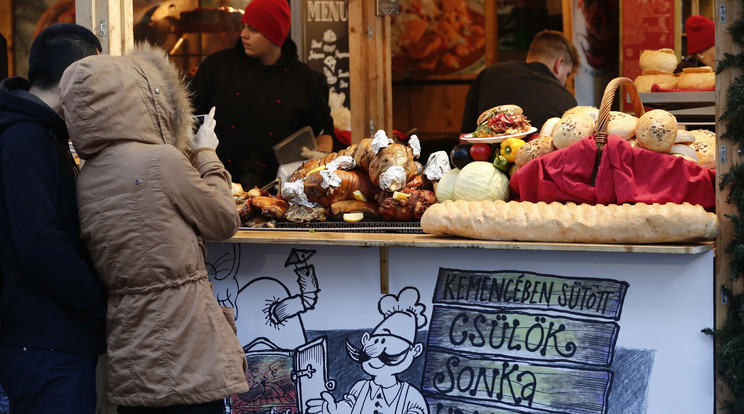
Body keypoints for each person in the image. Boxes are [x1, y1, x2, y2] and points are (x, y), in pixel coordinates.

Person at [59, 42, 250, 412]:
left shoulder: (85, 176)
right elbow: (224, 220)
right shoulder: (161, 161)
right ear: (140, 98)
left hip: (131, 350)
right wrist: (206, 153)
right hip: (188, 344)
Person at [0, 23, 106, 413]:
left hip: (50, 337)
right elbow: (39, 240)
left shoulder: (42, 131)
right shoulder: (25, 136)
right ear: (72, 76)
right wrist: (97, 302)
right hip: (43, 340)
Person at [189, 0, 339, 189]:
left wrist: (320, 158)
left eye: (253, 29)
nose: (243, 34)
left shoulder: (307, 80)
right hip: (218, 184)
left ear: (275, 34)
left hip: (280, 190)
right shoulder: (217, 67)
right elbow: (190, 116)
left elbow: (323, 130)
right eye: (243, 26)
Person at [460, 29, 580, 135]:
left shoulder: (488, 74)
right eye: (568, 74)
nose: (564, 83)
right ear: (558, 64)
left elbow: (465, 136)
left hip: (485, 157)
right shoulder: (568, 100)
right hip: (543, 159)